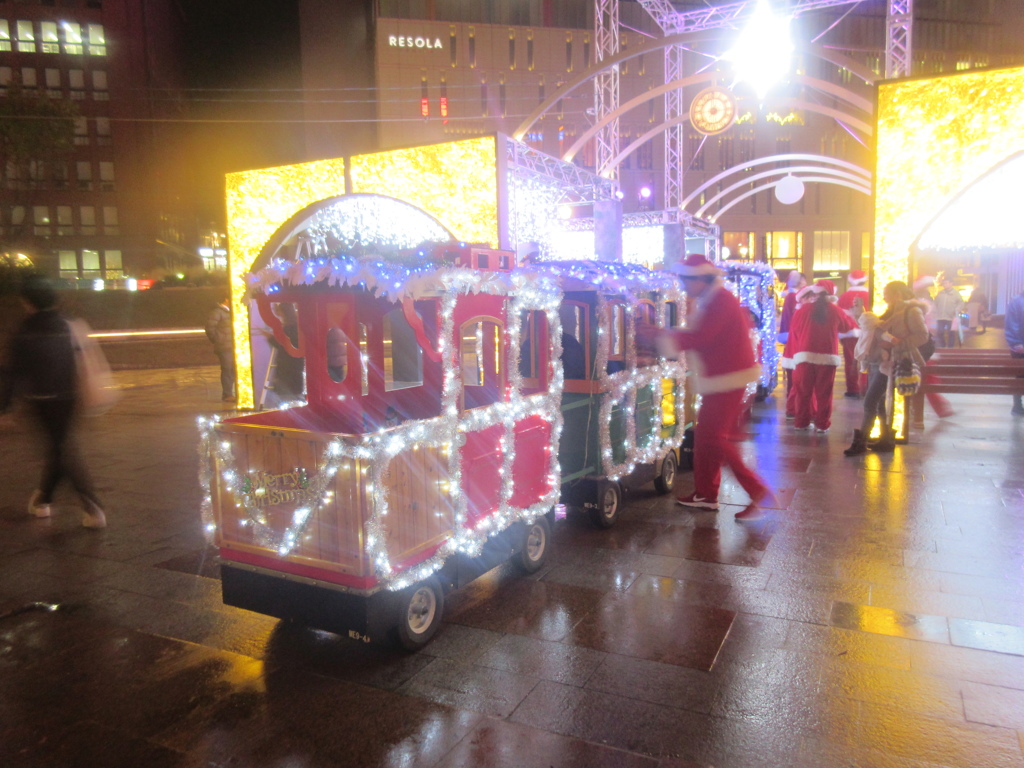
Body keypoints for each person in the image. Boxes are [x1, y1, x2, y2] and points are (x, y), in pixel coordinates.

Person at [658, 254, 772, 522]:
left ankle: (756, 491)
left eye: (687, 279)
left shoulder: (720, 301)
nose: (683, 284)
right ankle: (706, 495)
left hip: (727, 379)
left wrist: (659, 335)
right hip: (723, 377)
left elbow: (702, 336)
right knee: (709, 437)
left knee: (715, 438)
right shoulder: (713, 299)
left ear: (701, 279)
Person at [0, 275, 107, 527]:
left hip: (41, 400)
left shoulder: (24, 330)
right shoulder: (66, 324)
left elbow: (13, 372)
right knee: (58, 447)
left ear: (27, 301)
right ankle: (43, 499)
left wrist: (5, 406)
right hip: (69, 398)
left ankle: (93, 507)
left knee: (61, 450)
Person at [843, 281, 929, 456]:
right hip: (878, 360)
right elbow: (877, 327)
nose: (884, 296)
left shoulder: (911, 311)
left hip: (891, 361)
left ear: (897, 293)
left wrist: (896, 344)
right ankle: (885, 439)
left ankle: (861, 442)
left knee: (870, 400)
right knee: (880, 401)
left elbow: (922, 336)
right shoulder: (893, 310)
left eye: (886, 293)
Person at [788, 280, 856, 433]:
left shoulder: (803, 310)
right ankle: (822, 424)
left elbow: (795, 330)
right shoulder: (836, 311)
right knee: (824, 393)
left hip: (804, 355)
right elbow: (848, 327)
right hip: (827, 356)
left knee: (803, 392)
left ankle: (801, 422)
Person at [837, 270, 870, 397]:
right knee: (866, 359)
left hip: (848, 333)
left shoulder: (844, 296)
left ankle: (853, 388)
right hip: (867, 332)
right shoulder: (870, 294)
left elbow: (840, 316)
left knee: (850, 360)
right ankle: (865, 386)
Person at [206, 293, 236, 402]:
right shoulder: (217, 312)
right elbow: (210, 328)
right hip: (225, 346)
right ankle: (227, 394)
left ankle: (230, 393)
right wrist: (218, 339)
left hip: (232, 346)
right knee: (227, 369)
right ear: (226, 299)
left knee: (232, 370)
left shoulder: (229, 312)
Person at [1005, 287, 1024, 416]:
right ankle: (1017, 405)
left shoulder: (1017, 301)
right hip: (1020, 346)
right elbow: (1011, 324)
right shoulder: (1016, 301)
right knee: (1020, 376)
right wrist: (1016, 343)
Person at [933, 274, 964, 348]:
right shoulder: (940, 293)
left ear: (951, 283)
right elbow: (935, 303)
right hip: (940, 317)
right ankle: (943, 345)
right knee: (939, 332)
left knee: (951, 333)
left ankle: (950, 348)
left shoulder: (956, 294)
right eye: (944, 283)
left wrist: (957, 309)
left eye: (946, 283)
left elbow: (961, 303)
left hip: (951, 317)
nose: (944, 285)